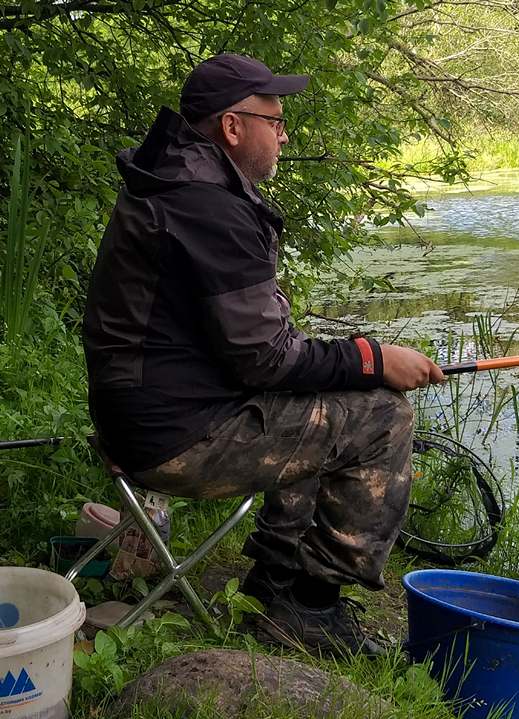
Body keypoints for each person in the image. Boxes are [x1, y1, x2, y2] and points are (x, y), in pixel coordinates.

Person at [82, 53, 445, 656]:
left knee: (325, 399)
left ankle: (275, 584)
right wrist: (375, 359)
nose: (283, 132)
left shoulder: (180, 185)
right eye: (273, 120)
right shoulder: (207, 206)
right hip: (173, 437)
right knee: (384, 417)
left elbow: (255, 353)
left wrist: (350, 362)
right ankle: (310, 607)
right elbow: (265, 360)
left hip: (150, 414)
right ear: (232, 126)